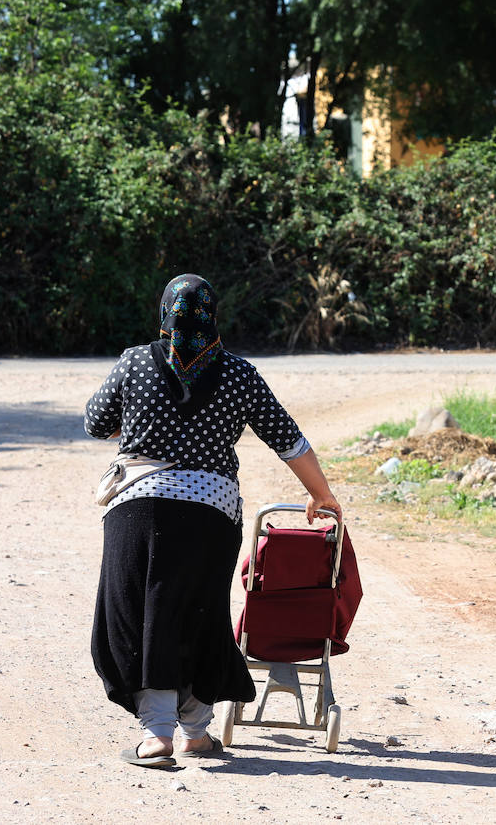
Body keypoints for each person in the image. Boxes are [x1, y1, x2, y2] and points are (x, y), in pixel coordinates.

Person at [85, 273, 341, 768]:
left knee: (136, 613)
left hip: (137, 505)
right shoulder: (239, 375)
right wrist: (321, 495)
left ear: (165, 313)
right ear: (212, 315)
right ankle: (194, 733)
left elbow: (96, 422)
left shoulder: (134, 361)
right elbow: (288, 439)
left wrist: (140, 417)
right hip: (211, 511)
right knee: (196, 611)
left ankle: (155, 734)